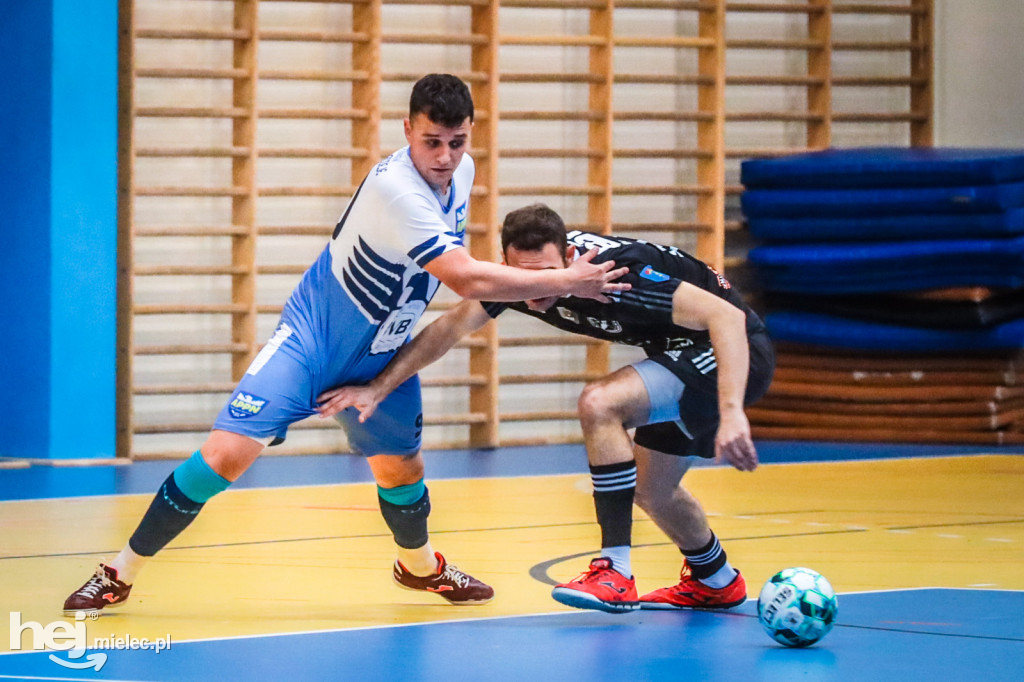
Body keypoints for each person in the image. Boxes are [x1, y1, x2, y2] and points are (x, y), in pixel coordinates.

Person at [64, 77, 630, 615]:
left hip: (382, 353)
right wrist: (568, 280)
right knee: (223, 457)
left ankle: (419, 566)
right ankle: (119, 573)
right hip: (311, 343)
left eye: (457, 143)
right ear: (406, 130)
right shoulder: (396, 188)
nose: (444, 156)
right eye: (431, 141)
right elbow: (467, 280)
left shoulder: (463, 172)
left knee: (401, 473)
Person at [315, 203, 775, 614]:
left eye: (547, 274)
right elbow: (449, 329)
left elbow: (728, 318)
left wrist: (732, 412)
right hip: (679, 356)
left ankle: (613, 570)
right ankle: (715, 579)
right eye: (526, 277)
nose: (536, 291)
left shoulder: (617, 273)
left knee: (600, 403)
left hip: (731, 350)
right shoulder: (520, 282)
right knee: (654, 491)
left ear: (571, 261)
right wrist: (378, 388)